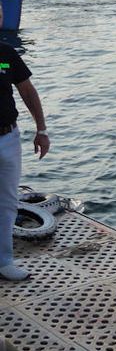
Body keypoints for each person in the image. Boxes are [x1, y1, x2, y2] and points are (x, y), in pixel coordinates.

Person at [0, 17, 50, 282]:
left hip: (8, 137)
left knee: (7, 203)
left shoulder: (6, 54)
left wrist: (41, 130)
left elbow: (27, 91)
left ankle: (4, 261)